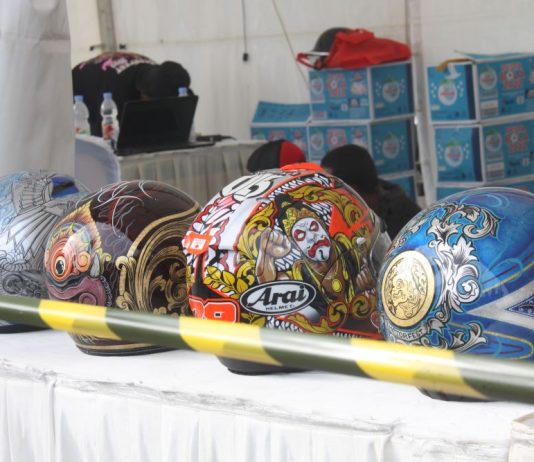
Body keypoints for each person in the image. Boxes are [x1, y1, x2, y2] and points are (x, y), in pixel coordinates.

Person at [72, 52, 192, 136]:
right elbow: (107, 136)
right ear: (143, 94)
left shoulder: (162, 75)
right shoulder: (116, 90)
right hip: (78, 89)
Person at [320, 144, 421, 239]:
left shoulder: (405, 223)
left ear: (353, 191)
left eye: (333, 190)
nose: (328, 198)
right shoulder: (350, 219)